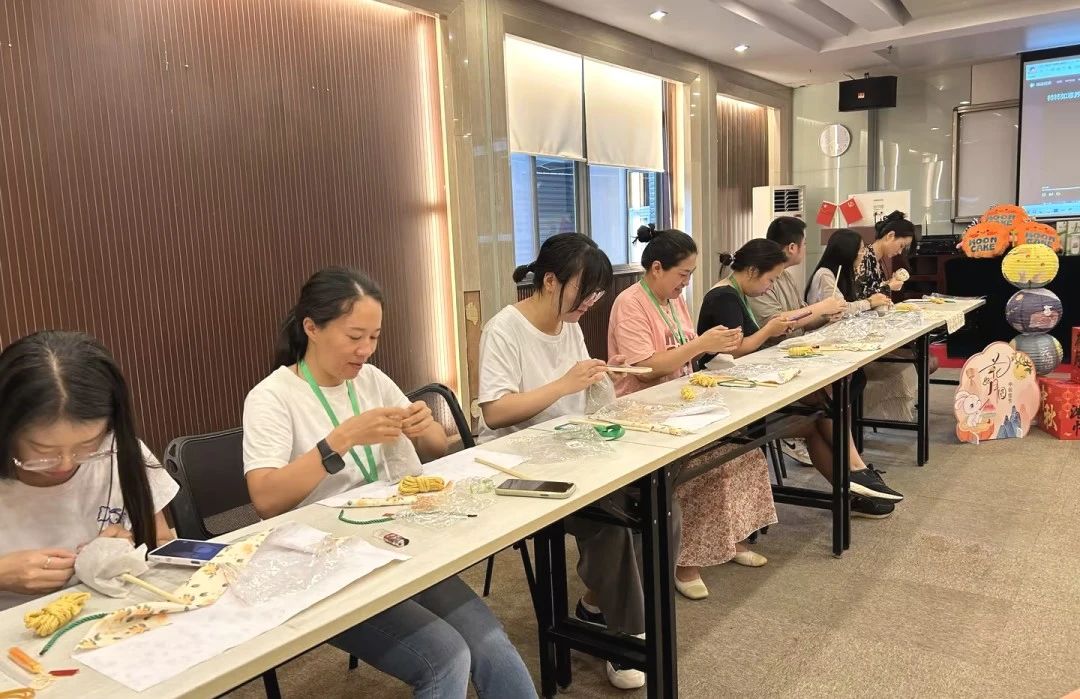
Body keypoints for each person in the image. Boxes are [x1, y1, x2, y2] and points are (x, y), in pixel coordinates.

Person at [243, 267, 536, 699]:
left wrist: (423, 426)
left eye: (374, 337)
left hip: (393, 543)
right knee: (447, 657)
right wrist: (340, 440)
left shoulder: (371, 379)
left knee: (489, 641)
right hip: (323, 566)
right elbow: (266, 499)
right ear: (312, 328)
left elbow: (434, 447)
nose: (365, 350)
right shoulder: (272, 397)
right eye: (354, 336)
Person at [477, 232, 664, 691]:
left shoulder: (569, 325)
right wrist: (565, 384)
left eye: (597, 293)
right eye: (586, 291)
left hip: (570, 451)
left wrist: (598, 381)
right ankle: (625, 635)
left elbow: (579, 400)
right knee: (612, 521)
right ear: (550, 281)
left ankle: (603, 607)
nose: (591, 302)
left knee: (660, 502)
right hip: (516, 466)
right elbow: (495, 412)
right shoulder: (504, 329)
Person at [608, 226, 777, 602]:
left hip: (681, 404)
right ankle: (685, 562)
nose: (686, 283)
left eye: (690, 275)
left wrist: (713, 347)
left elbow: (685, 352)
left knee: (742, 453)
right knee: (706, 469)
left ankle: (731, 539)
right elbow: (647, 368)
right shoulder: (630, 303)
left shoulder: (673, 300)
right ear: (656, 268)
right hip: (644, 412)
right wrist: (702, 344)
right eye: (682, 274)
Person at [699, 239, 903, 518]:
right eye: (770, 280)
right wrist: (769, 330)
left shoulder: (737, 293)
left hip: (743, 384)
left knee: (821, 408)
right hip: (730, 397)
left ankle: (853, 483)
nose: (769, 287)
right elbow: (736, 348)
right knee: (818, 411)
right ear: (752, 271)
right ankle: (854, 479)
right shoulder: (724, 296)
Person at [0, 331, 178, 611]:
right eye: (44, 451)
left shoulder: (120, 453)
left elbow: (162, 542)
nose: (66, 464)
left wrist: (126, 549)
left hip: (109, 616)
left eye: (87, 446)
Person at [748, 216, 848, 345]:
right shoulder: (759, 280)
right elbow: (775, 322)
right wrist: (822, 307)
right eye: (804, 243)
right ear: (792, 247)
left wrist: (826, 315)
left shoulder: (787, 276)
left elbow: (804, 321)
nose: (806, 248)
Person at [805, 228, 892, 316]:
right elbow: (840, 309)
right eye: (862, 250)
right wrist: (870, 302)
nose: (864, 254)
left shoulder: (846, 272)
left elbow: (853, 303)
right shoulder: (825, 274)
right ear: (849, 252)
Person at [856, 210, 916, 300]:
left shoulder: (876, 258)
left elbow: (871, 288)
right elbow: (858, 297)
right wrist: (889, 287)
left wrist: (888, 283)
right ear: (890, 236)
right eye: (901, 246)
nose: (900, 252)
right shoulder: (863, 257)